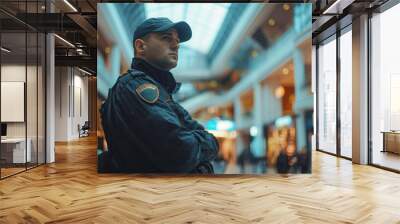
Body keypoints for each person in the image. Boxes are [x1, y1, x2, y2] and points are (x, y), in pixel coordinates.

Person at [99, 18, 219, 173]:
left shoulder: (161, 92)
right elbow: (180, 152)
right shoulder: (136, 86)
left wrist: (199, 157)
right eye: (166, 38)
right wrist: (202, 164)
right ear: (141, 46)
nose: (176, 45)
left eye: (177, 41)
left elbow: (207, 139)